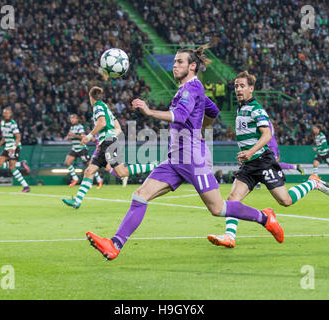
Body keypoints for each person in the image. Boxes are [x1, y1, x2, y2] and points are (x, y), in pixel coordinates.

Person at [86, 45, 286, 261]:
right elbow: (213, 111)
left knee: (218, 208)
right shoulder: (186, 89)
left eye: (179, 62)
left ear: (192, 66)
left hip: (192, 159)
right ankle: (114, 245)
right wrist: (201, 129)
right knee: (140, 195)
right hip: (175, 159)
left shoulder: (192, 88)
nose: (174, 65)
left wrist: (149, 111)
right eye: (174, 61)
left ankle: (265, 218)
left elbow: (180, 116)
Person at [207, 71, 329, 249]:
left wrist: (250, 151)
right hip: (249, 164)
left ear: (251, 88)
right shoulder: (241, 108)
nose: (238, 89)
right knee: (233, 198)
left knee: (286, 201)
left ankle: (313, 182)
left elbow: (267, 135)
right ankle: (229, 236)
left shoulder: (256, 109)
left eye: (242, 86)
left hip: (263, 162)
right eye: (236, 86)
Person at [61, 87, 157, 209]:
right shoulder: (107, 110)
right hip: (105, 143)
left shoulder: (97, 106)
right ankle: (77, 201)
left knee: (122, 172)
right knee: (89, 171)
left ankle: (154, 165)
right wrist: (106, 138)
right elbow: (118, 128)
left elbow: (102, 123)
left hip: (108, 143)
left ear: (91, 97)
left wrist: (90, 136)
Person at [256, 119, 304, 190]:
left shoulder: (265, 122)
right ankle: (258, 182)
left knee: (273, 164)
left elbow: (269, 135)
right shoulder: (262, 121)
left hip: (270, 146)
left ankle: (294, 167)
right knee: (258, 162)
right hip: (266, 145)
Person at [0, 107, 30, 193]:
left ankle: (26, 186)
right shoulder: (2, 123)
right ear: (3, 114)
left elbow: (18, 137)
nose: (7, 114)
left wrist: (14, 148)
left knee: (12, 167)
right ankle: (21, 164)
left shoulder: (13, 123)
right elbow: (4, 137)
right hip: (7, 147)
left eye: (8, 113)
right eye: (5, 113)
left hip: (14, 146)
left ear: (10, 114)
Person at [65, 114, 103, 188]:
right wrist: (68, 137)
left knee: (89, 166)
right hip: (74, 148)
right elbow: (69, 137)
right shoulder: (72, 127)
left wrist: (73, 135)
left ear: (77, 120)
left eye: (74, 118)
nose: (72, 120)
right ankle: (75, 179)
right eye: (71, 118)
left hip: (81, 149)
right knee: (67, 163)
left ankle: (99, 180)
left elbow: (83, 137)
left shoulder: (80, 127)